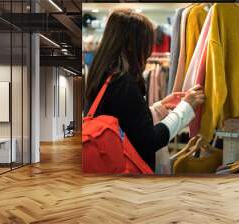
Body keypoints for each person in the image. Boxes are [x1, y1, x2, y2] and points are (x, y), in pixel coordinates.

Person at [85, 9, 205, 170]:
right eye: (146, 43)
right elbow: (150, 140)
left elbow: (125, 123)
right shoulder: (124, 84)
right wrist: (186, 108)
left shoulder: (104, 74)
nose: (149, 51)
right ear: (133, 44)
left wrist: (159, 108)